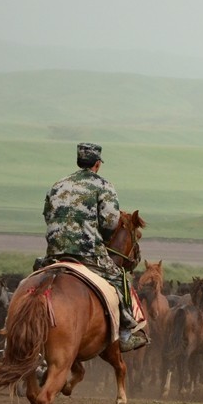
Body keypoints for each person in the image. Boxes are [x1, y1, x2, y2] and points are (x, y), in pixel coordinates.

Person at [41, 142, 148, 352]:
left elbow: (47, 214)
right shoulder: (104, 186)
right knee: (119, 279)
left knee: (35, 280)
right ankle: (126, 333)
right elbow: (109, 222)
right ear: (97, 164)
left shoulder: (57, 184)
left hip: (54, 251)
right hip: (88, 252)